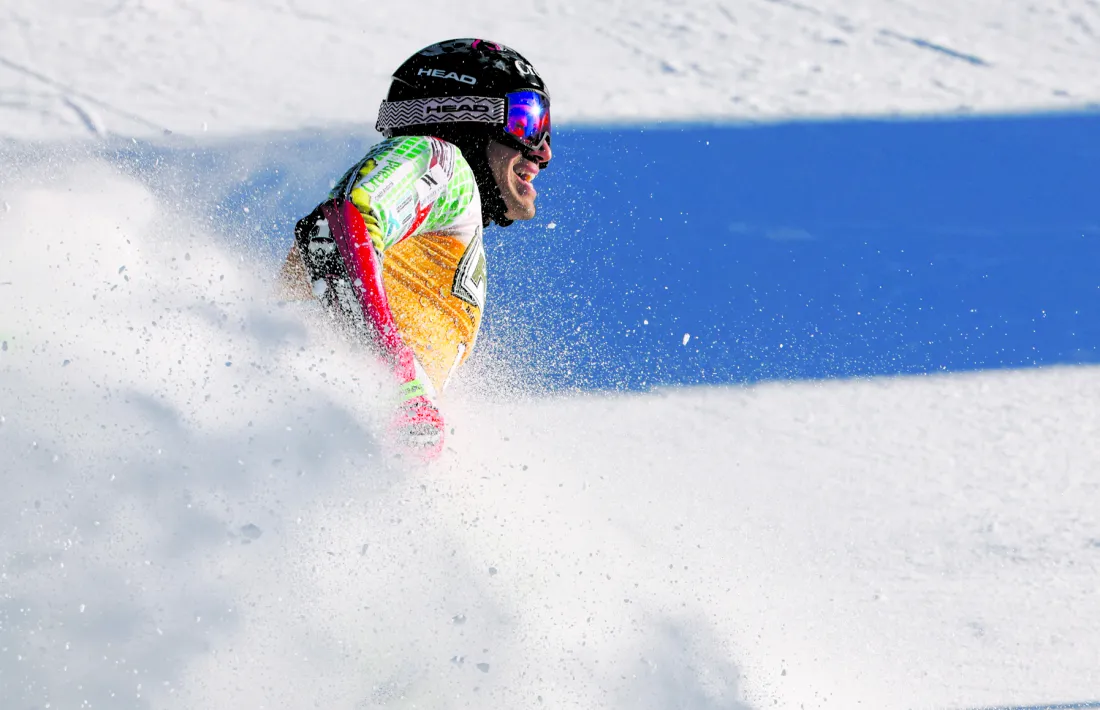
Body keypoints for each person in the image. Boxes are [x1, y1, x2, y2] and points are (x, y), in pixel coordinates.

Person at [278, 38, 553, 459]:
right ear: (461, 113)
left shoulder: (446, 227)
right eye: (526, 119)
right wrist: (400, 381)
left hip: (307, 442)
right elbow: (331, 234)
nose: (543, 150)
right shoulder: (440, 159)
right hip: (300, 420)